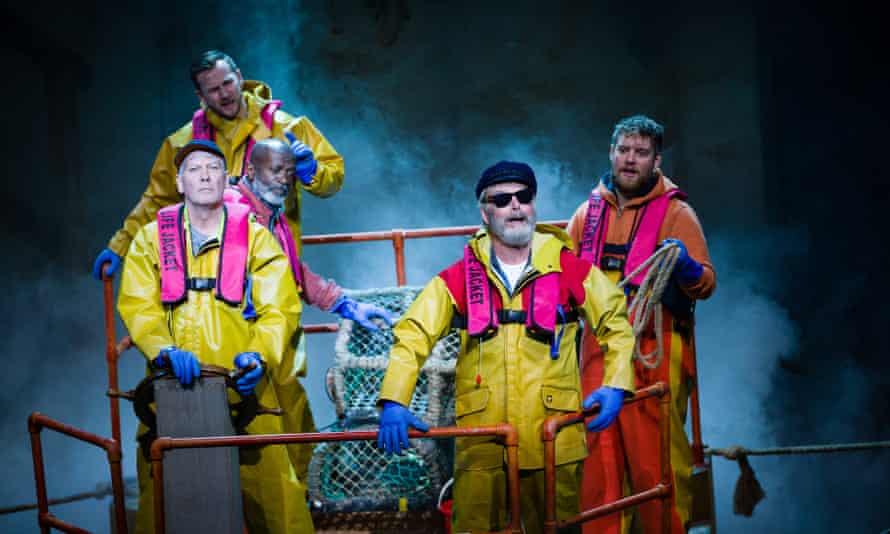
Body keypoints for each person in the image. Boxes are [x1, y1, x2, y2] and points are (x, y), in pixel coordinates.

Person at [375, 161, 636, 534]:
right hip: (483, 444)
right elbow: (413, 333)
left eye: (523, 196)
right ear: (485, 213)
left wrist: (616, 384)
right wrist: (394, 400)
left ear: (533, 205)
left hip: (552, 440)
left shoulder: (569, 270)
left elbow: (616, 322)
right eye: (501, 200)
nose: (515, 206)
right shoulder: (459, 278)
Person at [117, 140, 311, 534]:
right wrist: (163, 350)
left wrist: (258, 356)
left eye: (213, 168)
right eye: (194, 169)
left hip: (245, 388)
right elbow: (138, 305)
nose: (204, 175)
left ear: (226, 179)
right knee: (162, 496)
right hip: (171, 388)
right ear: (179, 182)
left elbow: (281, 308)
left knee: (277, 497)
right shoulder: (150, 240)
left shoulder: (256, 238)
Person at [566, 115, 717, 533]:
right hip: (597, 355)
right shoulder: (586, 214)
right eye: (624, 150)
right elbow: (564, 279)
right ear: (611, 153)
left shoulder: (677, 213)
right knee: (599, 471)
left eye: (641, 152)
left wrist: (687, 268)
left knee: (656, 468)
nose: (630, 160)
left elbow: (706, 283)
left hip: (654, 354)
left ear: (656, 161)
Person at [93, 49, 344, 280]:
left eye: (228, 83)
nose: (224, 94)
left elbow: (333, 178)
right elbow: (157, 200)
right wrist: (119, 246)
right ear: (200, 96)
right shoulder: (183, 144)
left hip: (273, 269)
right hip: (211, 277)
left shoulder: (287, 129)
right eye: (213, 89)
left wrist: (313, 172)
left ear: (239, 77)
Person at [226, 137, 394, 480]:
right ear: (251, 171)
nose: (283, 180)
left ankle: (308, 495)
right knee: (263, 445)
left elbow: (289, 268)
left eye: (289, 172)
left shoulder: (269, 213)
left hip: (273, 341)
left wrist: (343, 303)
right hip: (244, 343)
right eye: (275, 170)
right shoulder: (234, 212)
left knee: (296, 428)